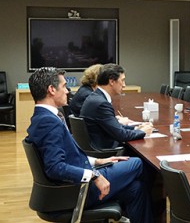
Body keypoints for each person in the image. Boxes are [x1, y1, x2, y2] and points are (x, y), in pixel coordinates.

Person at [25, 67, 153, 222]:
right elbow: (55, 168)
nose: (68, 91)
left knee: (136, 189)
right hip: (75, 191)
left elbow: (68, 156)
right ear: (52, 89)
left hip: (74, 184)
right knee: (138, 163)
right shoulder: (48, 122)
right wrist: (94, 175)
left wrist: (98, 161)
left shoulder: (43, 117)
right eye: (64, 86)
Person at [80, 64, 153, 149]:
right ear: (111, 81)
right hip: (106, 152)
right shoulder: (101, 103)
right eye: (122, 81)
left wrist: (135, 128)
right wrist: (142, 131)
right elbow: (121, 135)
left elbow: (114, 127)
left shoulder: (95, 97)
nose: (124, 85)